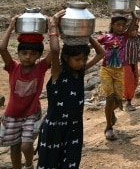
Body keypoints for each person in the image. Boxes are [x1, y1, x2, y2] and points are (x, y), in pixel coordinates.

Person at [36, 9, 106, 168]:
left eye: (84, 59)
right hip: (54, 130)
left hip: (74, 128)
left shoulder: (79, 73)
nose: (82, 62)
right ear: (66, 58)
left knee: (71, 164)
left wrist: (85, 34)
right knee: (50, 163)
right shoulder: (57, 73)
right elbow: (55, 50)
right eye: (77, 59)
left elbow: (101, 53)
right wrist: (53, 27)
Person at [0, 14, 54, 169]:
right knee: (14, 147)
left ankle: (29, 165)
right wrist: (11, 27)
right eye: (24, 53)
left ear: (39, 55)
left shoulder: (41, 68)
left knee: (25, 146)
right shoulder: (13, 67)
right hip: (12, 115)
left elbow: (54, 51)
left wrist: (52, 28)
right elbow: (2, 48)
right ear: (18, 53)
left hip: (31, 114)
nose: (28, 57)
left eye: (33, 54)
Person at [96, 12, 137, 141]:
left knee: (119, 101)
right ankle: (108, 127)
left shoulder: (125, 37)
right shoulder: (105, 37)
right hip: (106, 70)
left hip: (119, 72)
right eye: (118, 25)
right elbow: (95, 42)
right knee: (110, 98)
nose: (121, 28)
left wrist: (133, 14)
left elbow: (132, 25)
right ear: (112, 25)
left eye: (123, 26)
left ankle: (110, 111)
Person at [123, 17, 140, 111]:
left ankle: (128, 100)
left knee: (135, 82)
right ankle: (128, 103)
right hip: (126, 63)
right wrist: (134, 19)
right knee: (129, 82)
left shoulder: (138, 37)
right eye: (132, 30)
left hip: (134, 62)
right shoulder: (125, 38)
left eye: (136, 30)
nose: (134, 32)